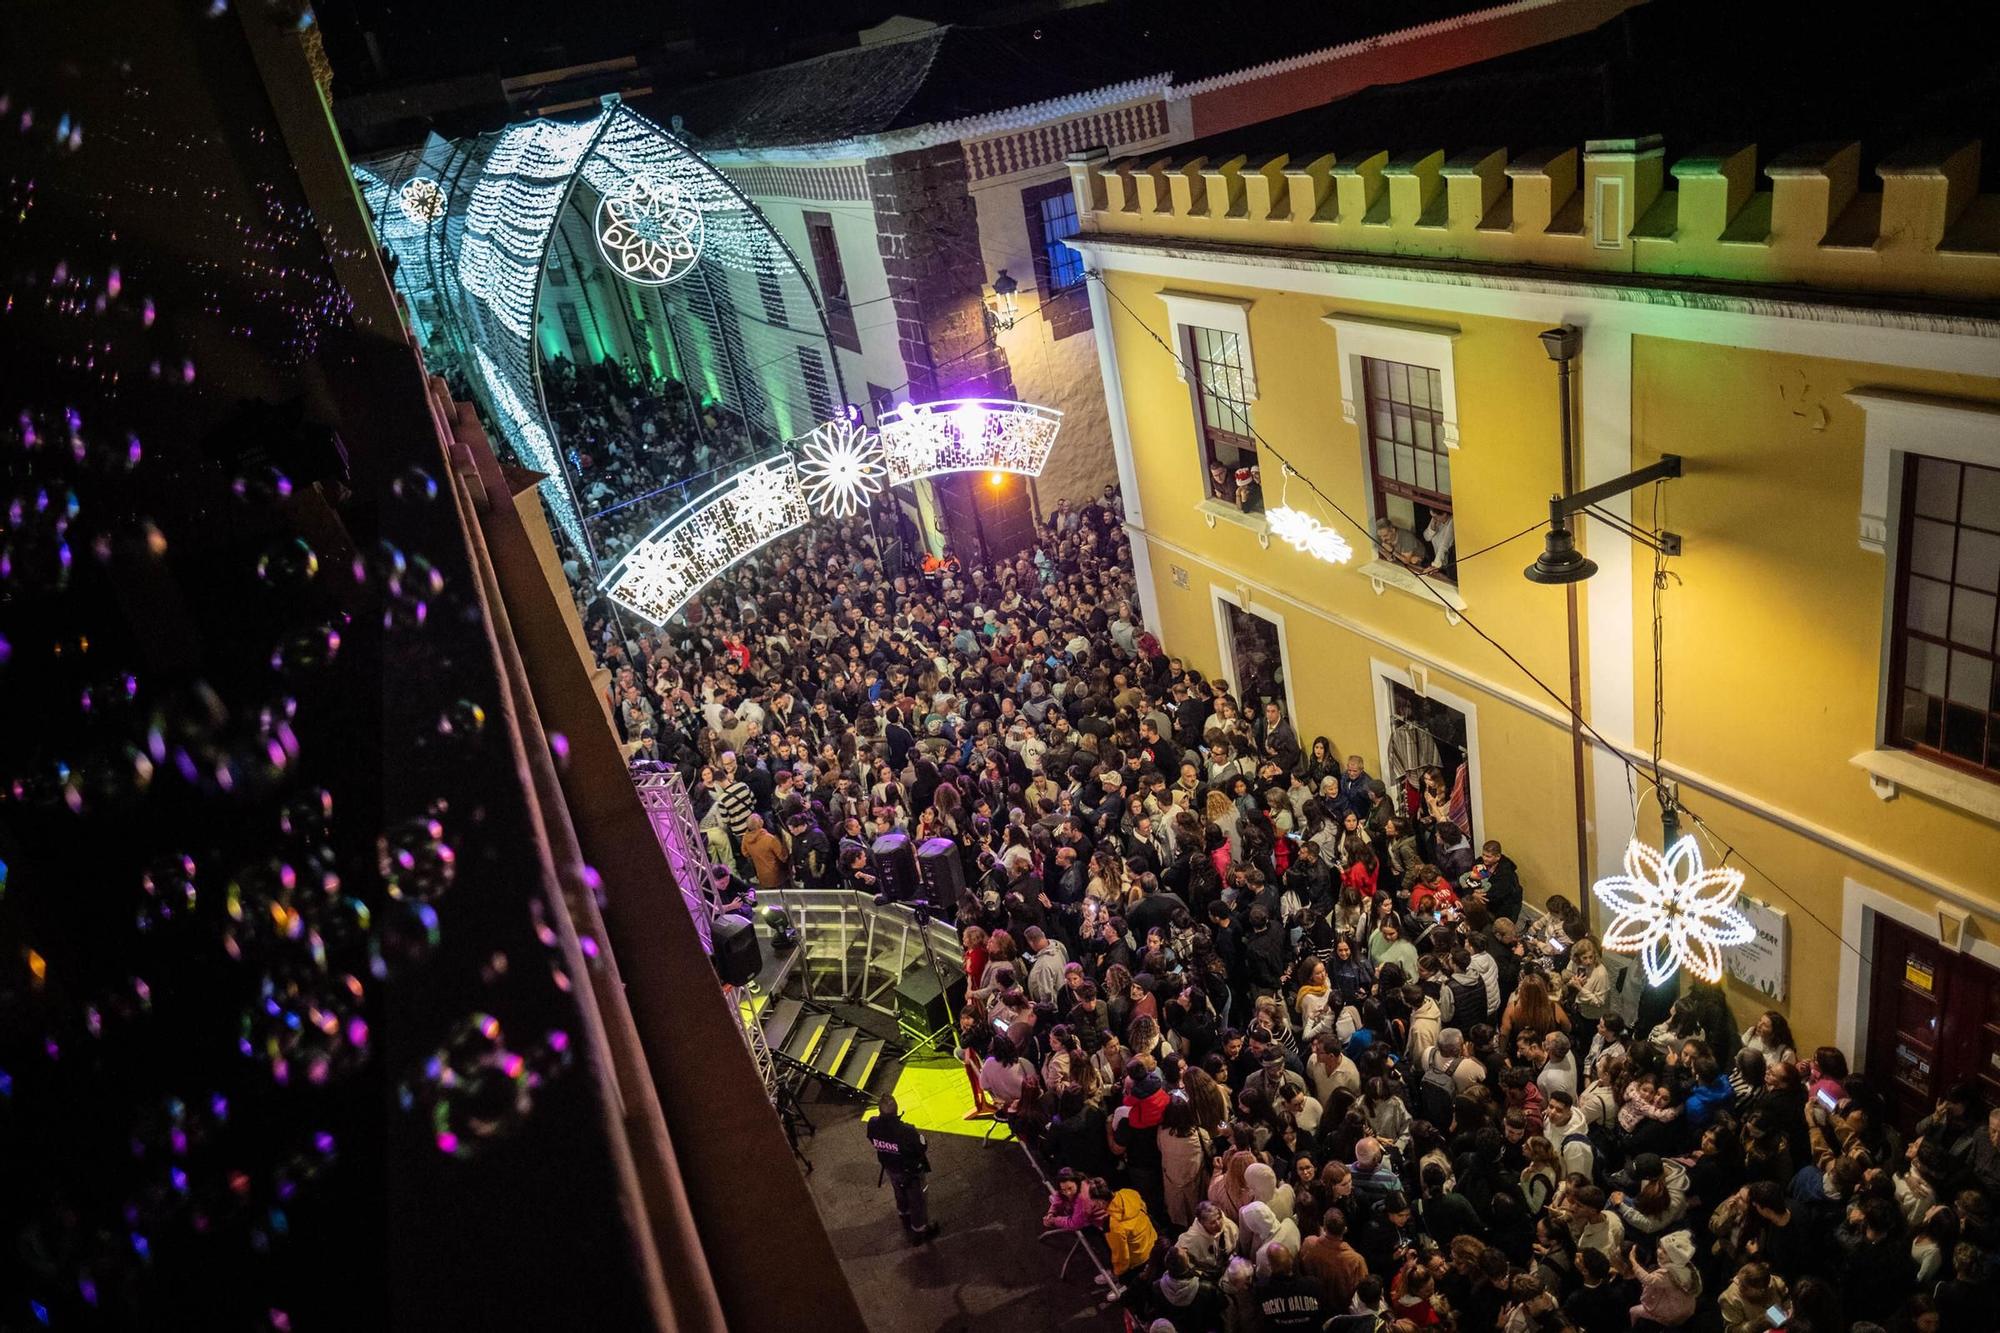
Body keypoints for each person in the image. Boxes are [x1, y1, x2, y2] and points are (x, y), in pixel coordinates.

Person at [866, 1095, 939, 1241]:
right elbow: (922, 1146)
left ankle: (903, 1211)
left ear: (880, 1111)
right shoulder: (907, 1131)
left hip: (890, 1167)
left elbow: (871, 1138)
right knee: (917, 1199)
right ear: (896, 1110)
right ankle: (920, 1229)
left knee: (898, 1190)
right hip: (909, 1171)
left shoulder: (873, 1123)